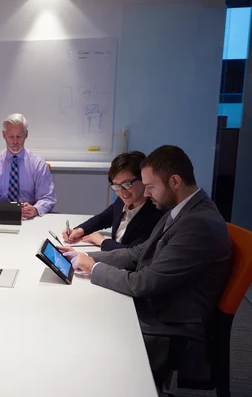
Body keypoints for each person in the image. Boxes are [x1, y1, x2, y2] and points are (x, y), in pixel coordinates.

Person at [60, 145, 231, 386]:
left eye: (150, 187)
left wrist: (93, 268)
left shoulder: (198, 223)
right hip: (160, 297)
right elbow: (139, 253)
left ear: (174, 181)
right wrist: (88, 258)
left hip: (171, 315)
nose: (147, 194)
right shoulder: (182, 209)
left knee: (91, 321)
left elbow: (144, 284)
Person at [62, 151, 165, 251]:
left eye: (127, 184)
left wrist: (102, 241)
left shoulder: (155, 213)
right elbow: (103, 218)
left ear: (143, 179)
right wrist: (80, 230)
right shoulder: (123, 200)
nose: (121, 191)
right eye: (116, 185)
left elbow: (135, 253)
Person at [0, 113, 57, 219]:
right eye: (11, 136)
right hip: (1, 218)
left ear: (26, 134)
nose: (15, 141)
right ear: (4, 135)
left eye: (19, 136)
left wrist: (35, 209)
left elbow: (48, 197)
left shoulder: (38, 164)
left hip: (30, 220)